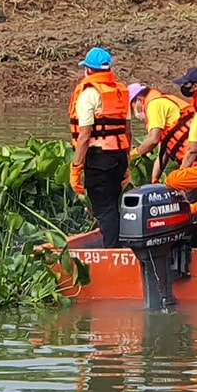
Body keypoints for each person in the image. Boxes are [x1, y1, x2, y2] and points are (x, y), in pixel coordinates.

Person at [68, 46, 131, 247]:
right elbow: (127, 132)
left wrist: (76, 168)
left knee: (104, 209)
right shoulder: (121, 92)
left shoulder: (88, 94)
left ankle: (113, 253)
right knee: (113, 205)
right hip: (119, 156)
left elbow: (85, 136)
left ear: (88, 70)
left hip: (99, 160)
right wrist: (127, 163)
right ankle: (118, 244)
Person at [132, 66, 197, 181]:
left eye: (132, 107)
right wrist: (155, 179)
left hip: (195, 160)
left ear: (140, 100)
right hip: (192, 158)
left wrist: (134, 154)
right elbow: (164, 150)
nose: (133, 112)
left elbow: (153, 140)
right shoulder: (161, 103)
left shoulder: (154, 105)